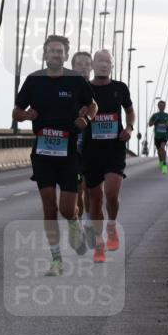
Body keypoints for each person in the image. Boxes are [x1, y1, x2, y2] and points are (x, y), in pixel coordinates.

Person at [13, 35, 98, 276]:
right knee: (49, 207)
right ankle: (57, 260)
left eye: (60, 51)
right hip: (42, 153)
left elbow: (93, 105)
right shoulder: (33, 81)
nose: (55, 55)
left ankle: (75, 222)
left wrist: (87, 119)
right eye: (51, 51)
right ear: (45, 53)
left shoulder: (75, 81)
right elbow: (17, 111)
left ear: (65, 54)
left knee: (66, 209)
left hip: (68, 151)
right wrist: (25, 116)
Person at [81, 49, 134, 263]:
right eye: (100, 61)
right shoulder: (84, 89)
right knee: (95, 199)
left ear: (112, 66)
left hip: (114, 148)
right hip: (91, 151)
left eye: (108, 62)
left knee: (111, 194)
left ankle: (112, 225)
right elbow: (75, 111)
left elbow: (130, 111)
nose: (104, 65)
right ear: (93, 65)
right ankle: (99, 244)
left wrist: (129, 128)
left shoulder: (120, 88)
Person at [70, 51, 93, 237]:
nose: (83, 67)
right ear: (73, 67)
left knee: (90, 189)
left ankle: (88, 221)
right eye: (79, 64)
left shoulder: (99, 90)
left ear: (92, 68)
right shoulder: (67, 90)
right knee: (78, 190)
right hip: (73, 148)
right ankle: (79, 221)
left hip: (94, 149)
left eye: (87, 64)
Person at [148, 101, 168, 175]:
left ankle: (164, 165)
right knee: (159, 151)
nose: (162, 107)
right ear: (158, 106)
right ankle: (161, 162)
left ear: (165, 106)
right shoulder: (155, 115)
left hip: (165, 135)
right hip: (157, 136)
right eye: (160, 105)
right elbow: (149, 124)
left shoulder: (167, 115)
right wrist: (155, 121)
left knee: (162, 148)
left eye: (163, 105)